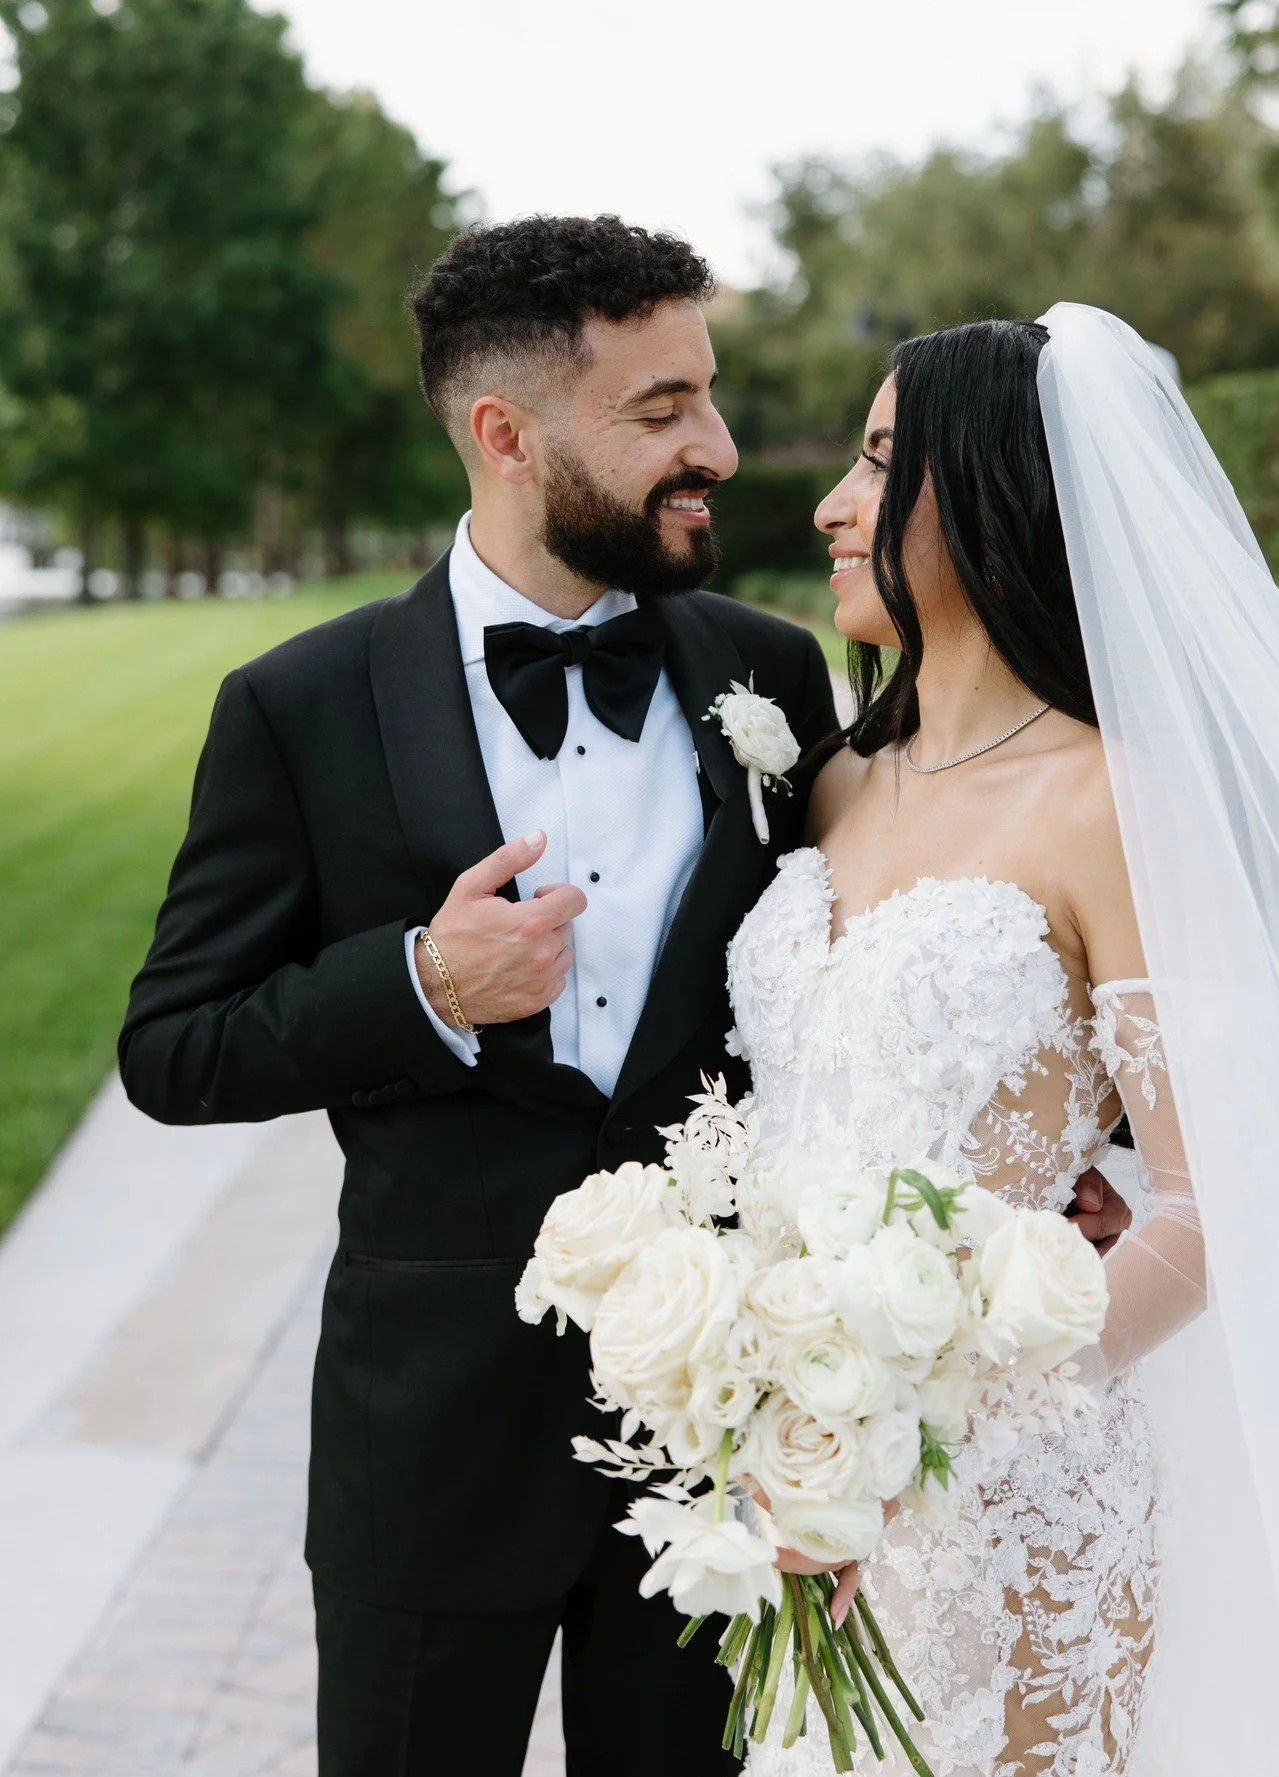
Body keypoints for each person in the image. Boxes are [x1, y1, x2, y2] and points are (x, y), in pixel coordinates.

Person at [116, 217, 1130, 1775]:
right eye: (661, 412)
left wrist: (1066, 1168)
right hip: (429, 1449)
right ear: (505, 435)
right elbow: (173, 1049)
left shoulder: (779, 679)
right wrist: (418, 984)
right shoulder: (299, 706)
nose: (716, 448)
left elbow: (939, 954)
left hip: (744, 1462)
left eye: (707, 397)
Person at [727, 309, 1279, 1776]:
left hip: (1013, 1496)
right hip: (793, 1497)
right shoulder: (838, 784)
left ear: (992, 495)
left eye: (876, 462)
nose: (829, 506)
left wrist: (922, 1439)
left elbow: (1208, 1199)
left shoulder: (1115, 803)